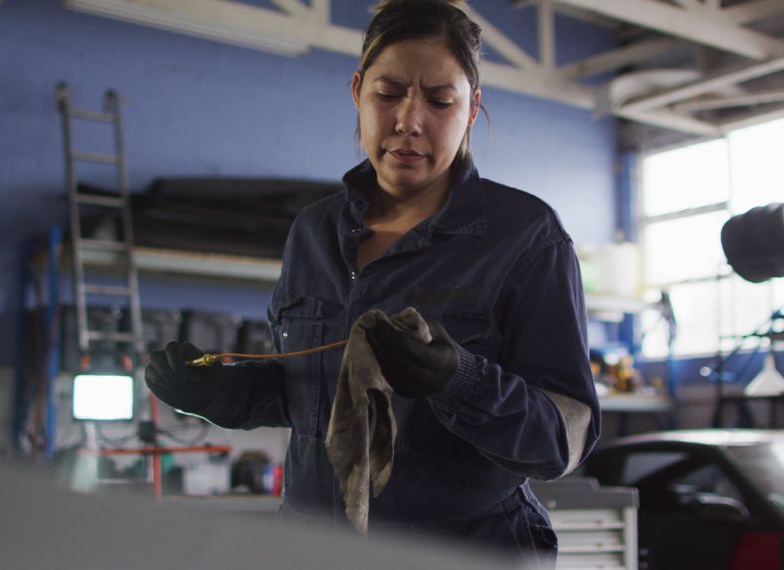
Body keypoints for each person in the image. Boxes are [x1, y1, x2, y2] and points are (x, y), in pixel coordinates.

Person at [145, 0, 600, 565]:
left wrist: (460, 379)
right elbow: (305, 395)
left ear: (472, 107)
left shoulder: (526, 236)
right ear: (357, 90)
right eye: (388, 94)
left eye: (440, 100)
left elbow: (562, 440)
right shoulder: (312, 231)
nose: (410, 121)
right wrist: (218, 394)